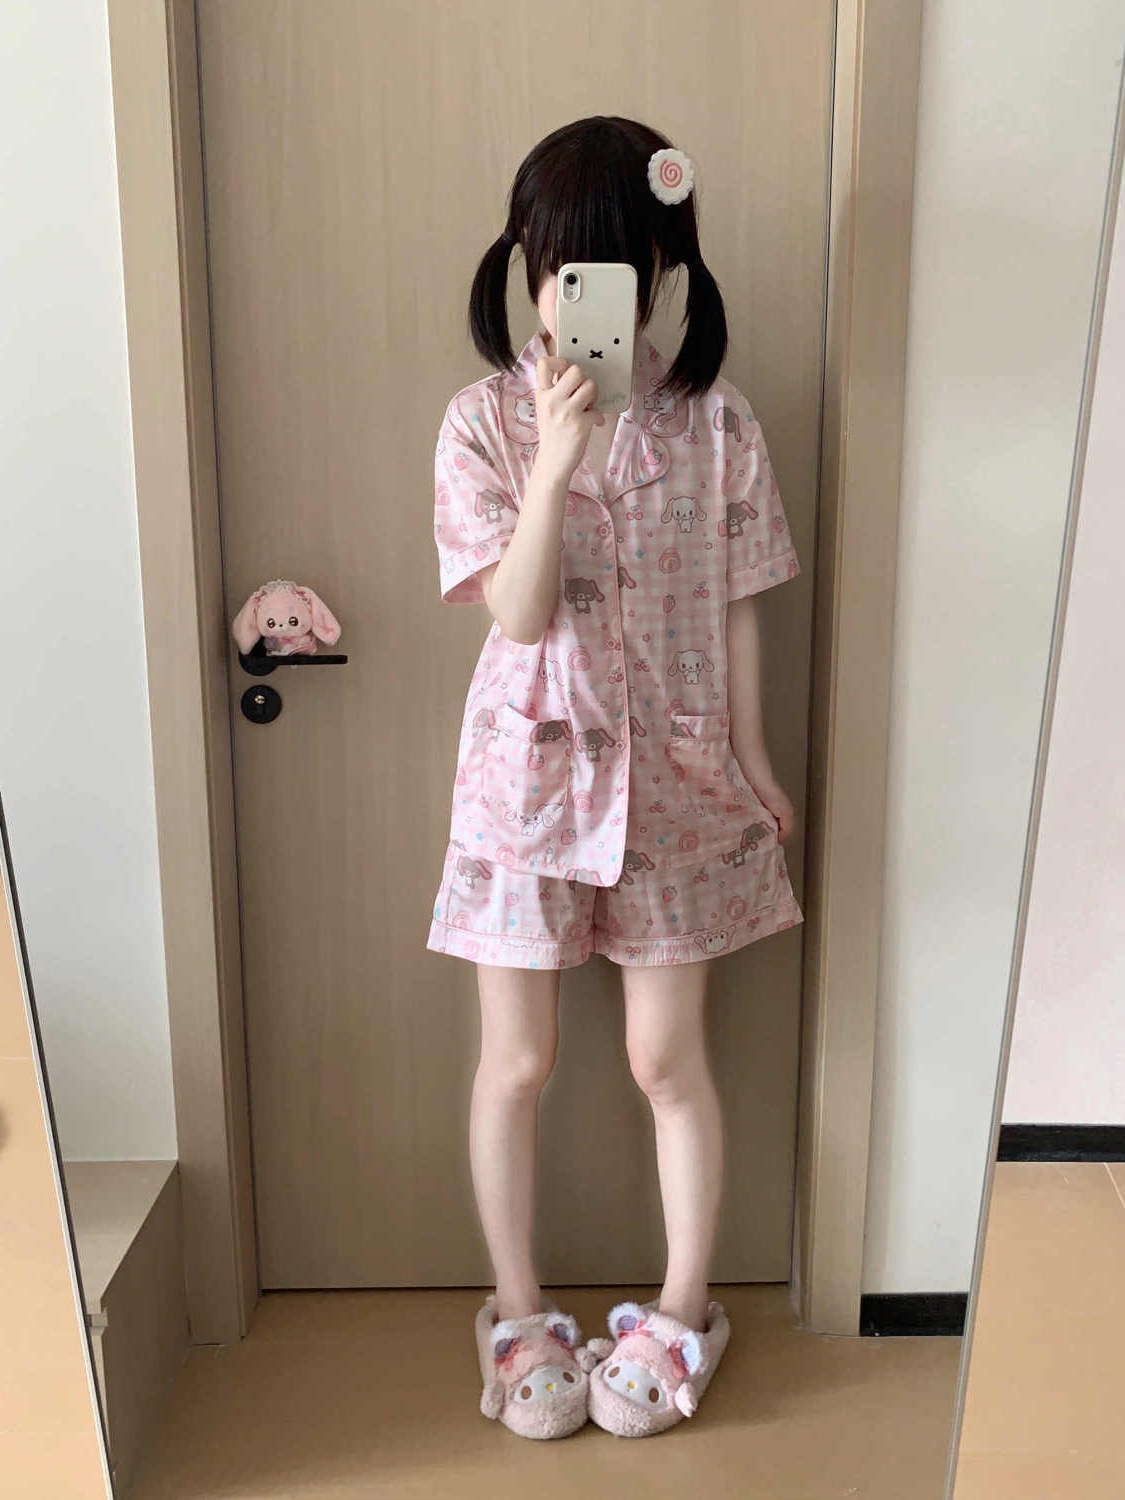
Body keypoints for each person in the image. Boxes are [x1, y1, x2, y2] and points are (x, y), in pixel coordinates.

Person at [426, 116, 803, 1441]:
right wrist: (555, 463)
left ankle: (684, 1309)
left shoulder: (718, 422)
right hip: (526, 788)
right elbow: (517, 613)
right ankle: (518, 1314)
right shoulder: (480, 423)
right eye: (557, 266)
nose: (573, 295)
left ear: (660, 272)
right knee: (516, 1062)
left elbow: (740, 604)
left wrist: (755, 762)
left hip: (679, 783)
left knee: (664, 1059)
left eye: (609, 268)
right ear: (525, 265)